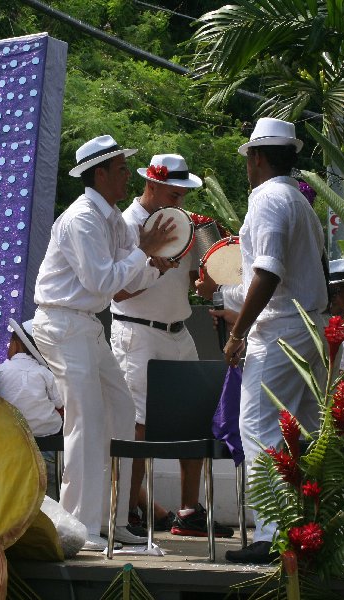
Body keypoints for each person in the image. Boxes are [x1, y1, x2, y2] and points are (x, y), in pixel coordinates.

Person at [32, 134, 175, 551]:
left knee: (122, 411)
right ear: (101, 174)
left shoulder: (109, 216)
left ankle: (114, 521)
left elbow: (127, 275)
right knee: (87, 420)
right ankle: (79, 527)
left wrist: (155, 266)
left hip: (85, 324)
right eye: (121, 169)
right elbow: (104, 281)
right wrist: (144, 253)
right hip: (62, 323)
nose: (128, 175)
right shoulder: (82, 218)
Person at [196, 118, 328, 564]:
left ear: (256, 156)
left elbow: (269, 273)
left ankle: (274, 536)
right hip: (305, 328)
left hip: (281, 331)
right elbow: (274, 277)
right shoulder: (298, 202)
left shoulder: (269, 199)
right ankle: (309, 532)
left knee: (260, 429)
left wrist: (237, 332)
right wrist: (220, 291)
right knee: (305, 432)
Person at [109, 153, 234, 538]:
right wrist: (151, 264)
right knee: (139, 426)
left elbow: (204, 277)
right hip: (136, 332)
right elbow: (119, 291)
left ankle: (188, 511)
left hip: (180, 331)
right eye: (175, 194)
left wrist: (210, 282)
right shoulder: (126, 225)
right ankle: (129, 510)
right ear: (153, 184)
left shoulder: (189, 226)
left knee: (194, 417)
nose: (181, 202)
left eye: (183, 196)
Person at [0, 318, 63, 498]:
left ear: (15, 345)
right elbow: (61, 404)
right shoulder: (44, 373)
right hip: (47, 434)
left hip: (12, 433)